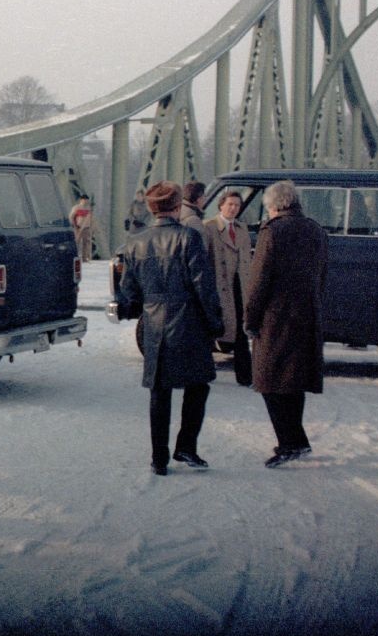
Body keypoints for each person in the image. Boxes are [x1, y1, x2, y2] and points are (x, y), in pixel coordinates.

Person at [113, 180, 224, 475]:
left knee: (159, 392)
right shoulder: (189, 238)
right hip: (188, 321)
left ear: (151, 207)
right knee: (197, 386)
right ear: (177, 206)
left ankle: (158, 458)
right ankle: (186, 446)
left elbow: (129, 291)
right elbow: (204, 286)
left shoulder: (135, 242)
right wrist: (215, 322)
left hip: (154, 323)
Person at [244, 179, 329, 468]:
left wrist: (250, 318)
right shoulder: (316, 229)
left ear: (275, 205)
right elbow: (322, 275)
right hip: (307, 314)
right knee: (294, 380)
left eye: (267, 207)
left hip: (276, 317)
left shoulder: (273, 232)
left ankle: (290, 442)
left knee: (269, 380)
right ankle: (297, 440)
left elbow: (259, 280)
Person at [204, 190, 254, 386]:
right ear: (221, 205)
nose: (233, 208)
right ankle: (206, 372)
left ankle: (245, 376)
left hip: (238, 287)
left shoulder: (242, 229)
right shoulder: (209, 228)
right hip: (219, 287)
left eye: (237, 205)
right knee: (213, 330)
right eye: (230, 204)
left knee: (241, 332)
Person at [70, 196, 96, 262]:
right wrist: (74, 226)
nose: (86, 201)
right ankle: (75, 257)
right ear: (81, 200)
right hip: (78, 227)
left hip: (86, 228)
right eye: (84, 200)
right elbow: (71, 217)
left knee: (86, 243)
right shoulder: (76, 208)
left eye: (87, 200)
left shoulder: (88, 209)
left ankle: (85, 258)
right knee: (77, 242)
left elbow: (91, 219)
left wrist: (92, 228)